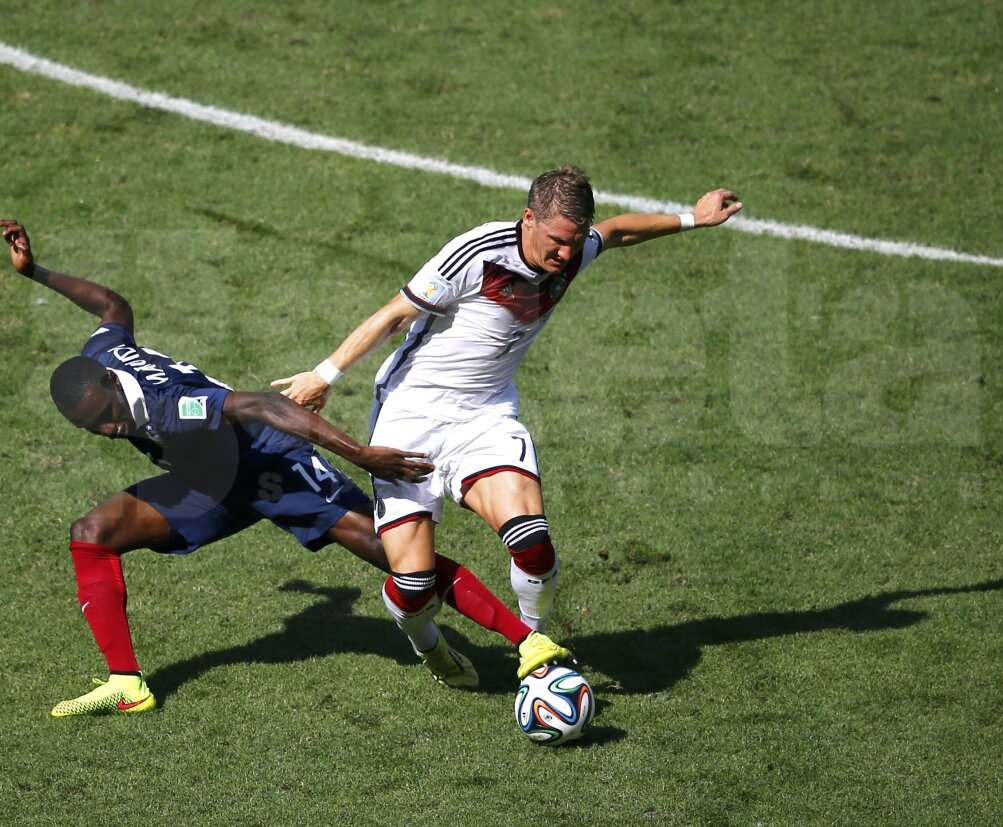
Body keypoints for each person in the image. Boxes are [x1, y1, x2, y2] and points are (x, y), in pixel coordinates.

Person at [0, 219, 548, 718]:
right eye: (95, 428)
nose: (111, 429)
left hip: (269, 465)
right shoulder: (103, 356)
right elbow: (113, 306)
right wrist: (35, 271)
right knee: (92, 534)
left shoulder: (167, 406)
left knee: (398, 559)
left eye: (109, 417)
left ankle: (528, 643)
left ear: (114, 386)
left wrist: (359, 454)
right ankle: (126, 684)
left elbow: (262, 405)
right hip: (204, 483)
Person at [273, 167, 743, 679]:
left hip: (485, 415)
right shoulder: (476, 254)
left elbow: (616, 232)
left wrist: (692, 219)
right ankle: (429, 648)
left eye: (573, 242)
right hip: (411, 416)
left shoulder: (573, 248)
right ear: (529, 218)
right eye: (557, 240)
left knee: (532, 543)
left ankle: (535, 649)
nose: (565, 254)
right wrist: (324, 375)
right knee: (414, 586)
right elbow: (394, 315)